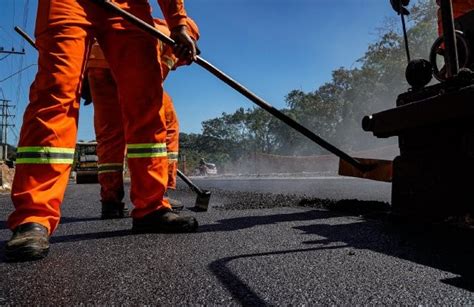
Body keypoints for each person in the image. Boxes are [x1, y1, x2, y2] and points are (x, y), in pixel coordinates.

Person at [5, 0, 198, 262]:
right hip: (68, 3)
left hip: (129, 7)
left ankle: (151, 206)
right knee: (56, 93)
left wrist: (177, 23)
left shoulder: (164, 36)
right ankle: (34, 216)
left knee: (146, 102)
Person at [86, 17, 199, 218]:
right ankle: (157, 194)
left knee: (110, 134)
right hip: (130, 67)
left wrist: (86, 81)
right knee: (161, 123)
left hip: (96, 65)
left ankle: (111, 201)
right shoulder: (173, 42)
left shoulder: (149, 23)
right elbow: (152, 82)